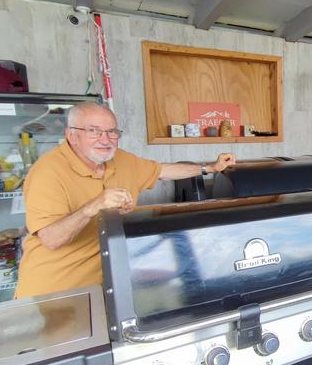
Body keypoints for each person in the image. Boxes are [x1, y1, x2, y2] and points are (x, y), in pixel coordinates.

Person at [15, 102, 236, 298]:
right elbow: (51, 239)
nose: (105, 139)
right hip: (56, 294)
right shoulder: (47, 172)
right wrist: (93, 206)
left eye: (112, 132)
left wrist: (210, 168)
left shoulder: (121, 160)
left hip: (107, 287)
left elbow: (163, 170)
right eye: (94, 131)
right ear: (72, 135)